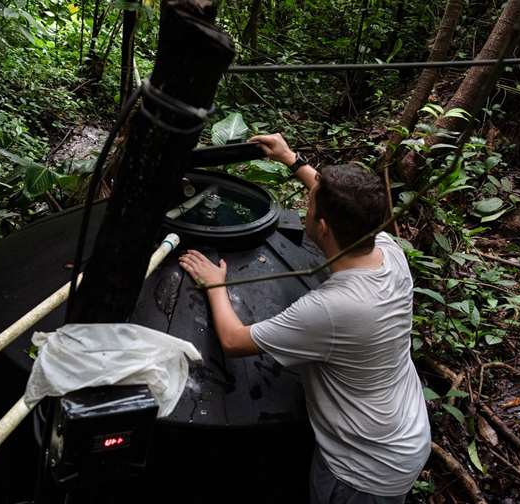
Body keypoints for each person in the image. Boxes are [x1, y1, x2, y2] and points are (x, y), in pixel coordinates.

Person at [178, 133, 431, 504]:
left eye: (309, 204)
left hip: (361, 470)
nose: (304, 207)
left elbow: (233, 340)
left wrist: (216, 284)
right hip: (404, 433)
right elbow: (344, 206)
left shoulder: (332, 308)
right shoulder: (390, 253)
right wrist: (291, 159)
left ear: (323, 227)